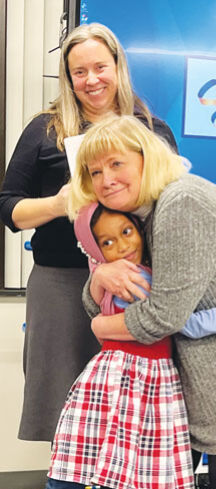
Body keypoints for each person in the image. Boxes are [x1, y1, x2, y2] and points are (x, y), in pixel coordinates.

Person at [68, 114, 216, 489]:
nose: (105, 179)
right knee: (174, 479)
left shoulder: (182, 202)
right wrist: (97, 280)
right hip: (203, 352)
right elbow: (119, 299)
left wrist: (100, 328)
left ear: (146, 157)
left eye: (116, 163)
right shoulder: (140, 213)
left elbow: (163, 315)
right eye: (95, 171)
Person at [35, 202, 216, 489]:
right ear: (95, 250)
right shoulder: (137, 281)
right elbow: (189, 324)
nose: (122, 245)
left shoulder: (128, 273)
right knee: (128, 478)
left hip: (131, 378)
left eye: (127, 231)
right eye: (107, 242)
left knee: (115, 475)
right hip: (136, 381)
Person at [0, 22, 177, 442]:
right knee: (63, 403)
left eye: (100, 67)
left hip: (135, 283)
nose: (91, 80)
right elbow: (9, 207)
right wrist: (60, 204)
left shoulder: (153, 132)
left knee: (130, 403)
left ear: (118, 66)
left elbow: (171, 207)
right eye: (79, 72)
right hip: (61, 283)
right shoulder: (44, 130)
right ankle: (69, 487)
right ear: (68, 77)